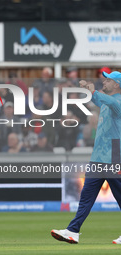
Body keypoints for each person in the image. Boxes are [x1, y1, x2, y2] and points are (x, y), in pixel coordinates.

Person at [51, 71, 121, 244]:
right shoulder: (106, 101)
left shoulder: (117, 101)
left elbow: (107, 100)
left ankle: (73, 230)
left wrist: (93, 91)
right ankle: (73, 231)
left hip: (114, 156)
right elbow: (99, 100)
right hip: (99, 157)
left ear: (117, 84)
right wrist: (91, 91)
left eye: (109, 80)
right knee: (86, 196)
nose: (105, 81)